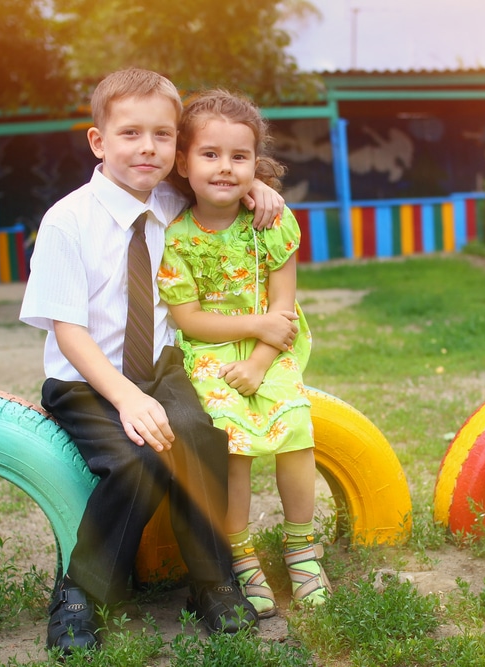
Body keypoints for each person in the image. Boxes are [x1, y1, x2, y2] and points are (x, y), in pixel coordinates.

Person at [20, 68, 288, 656]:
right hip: (87, 378)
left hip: (163, 367)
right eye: (131, 134)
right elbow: (68, 332)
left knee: (200, 432)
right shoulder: (68, 221)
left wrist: (261, 189)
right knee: (137, 461)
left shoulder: (176, 199)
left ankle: (212, 584)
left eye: (163, 136)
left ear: (178, 146)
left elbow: (229, 179)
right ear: (98, 141)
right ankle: (80, 595)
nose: (148, 149)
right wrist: (125, 397)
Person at [158, 89, 330, 620]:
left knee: (295, 427)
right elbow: (188, 319)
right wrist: (251, 331)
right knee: (231, 443)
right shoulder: (176, 238)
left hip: (269, 348)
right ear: (184, 162)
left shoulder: (271, 224)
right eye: (210, 155)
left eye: (240, 157)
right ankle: (243, 557)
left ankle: (302, 549)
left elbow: (283, 307)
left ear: (257, 163)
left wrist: (257, 362)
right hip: (208, 351)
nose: (226, 168)